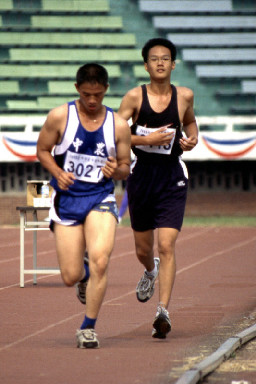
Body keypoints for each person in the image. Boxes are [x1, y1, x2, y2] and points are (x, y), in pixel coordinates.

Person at [37, 63, 131, 349]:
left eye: (98, 95)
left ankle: (88, 327)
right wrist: (58, 172)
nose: (92, 101)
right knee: (70, 276)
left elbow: (126, 167)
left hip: (100, 197)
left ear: (106, 91)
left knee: (102, 259)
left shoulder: (117, 124)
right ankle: (83, 275)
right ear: (77, 89)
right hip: (67, 200)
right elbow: (42, 150)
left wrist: (116, 170)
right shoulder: (60, 117)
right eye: (87, 94)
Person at [118, 38, 198, 339]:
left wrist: (192, 140)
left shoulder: (185, 96)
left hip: (172, 177)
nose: (161, 63)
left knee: (166, 245)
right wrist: (144, 141)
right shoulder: (134, 98)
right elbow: (113, 133)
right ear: (146, 65)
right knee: (143, 249)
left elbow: (191, 126)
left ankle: (162, 311)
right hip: (141, 177)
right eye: (154, 59)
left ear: (174, 64)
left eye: (166, 58)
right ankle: (149, 270)